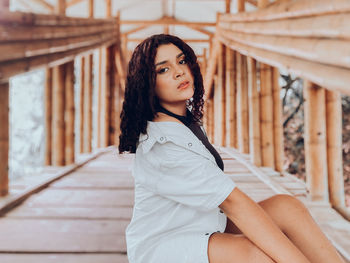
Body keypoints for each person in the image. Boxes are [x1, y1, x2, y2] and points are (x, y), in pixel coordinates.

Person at [118, 34, 345, 263]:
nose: (179, 71)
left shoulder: (181, 120)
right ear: (148, 83)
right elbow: (233, 203)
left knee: (287, 208)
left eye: (182, 60)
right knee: (254, 255)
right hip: (164, 245)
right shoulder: (163, 144)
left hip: (200, 223)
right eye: (163, 70)